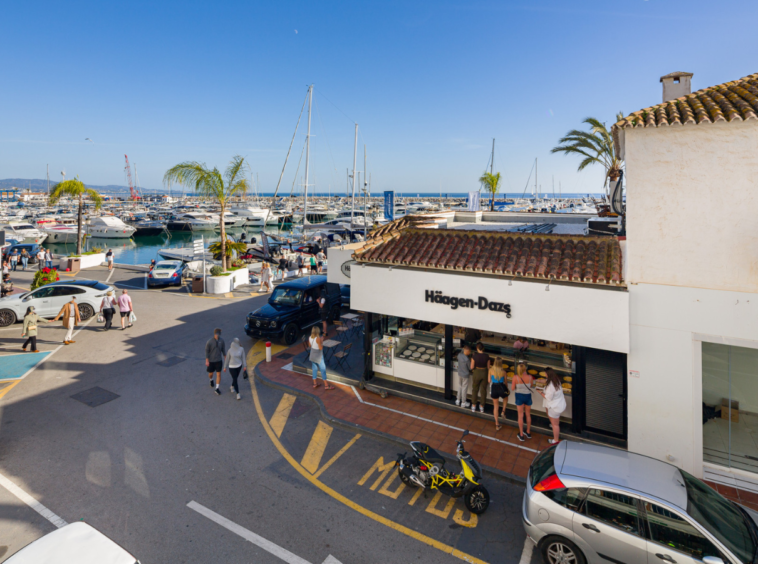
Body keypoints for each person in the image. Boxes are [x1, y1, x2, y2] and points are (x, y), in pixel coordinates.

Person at [538, 368, 566, 445]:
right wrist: (540, 381)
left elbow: (548, 398)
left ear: (548, 374)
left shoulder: (550, 387)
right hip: (560, 404)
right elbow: (547, 381)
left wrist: (540, 392)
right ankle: (553, 423)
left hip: (554, 407)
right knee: (555, 420)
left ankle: (555, 440)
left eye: (545, 374)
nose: (544, 375)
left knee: (555, 425)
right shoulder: (556, 380)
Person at [511, 361, 534, 442]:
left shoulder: (515, 377)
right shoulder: (530, 377)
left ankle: (521, 434)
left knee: (520, 416)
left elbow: (513, 388)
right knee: (528, 415)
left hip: (519, 397)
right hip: (528, 396)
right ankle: (528, 432)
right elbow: (531, 385)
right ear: (525, 369)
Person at [470, 342, 491, 413]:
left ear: (477, 348)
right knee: (483, 390)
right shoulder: (487, 356)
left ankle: (473, 405)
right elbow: (488, 367)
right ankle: (482, 406)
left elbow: (472, 367)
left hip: (477, 372)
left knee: (475, 389)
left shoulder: (474, 356)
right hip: (485, 372)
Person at [205, 328, 226, 395]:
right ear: (215, 334)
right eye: (217, 334)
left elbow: (223, 349)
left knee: (219, 374)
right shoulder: (209, 342)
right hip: (211, 361)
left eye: (219, 334)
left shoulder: (222, 341)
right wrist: (207, 360)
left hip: (219, 360)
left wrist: (225, 357)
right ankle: (211, 380)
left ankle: (217, 388)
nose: (218, 335)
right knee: (211, 374)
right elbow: (207, 351)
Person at [489, 357, 508, 430]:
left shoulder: (491, 370)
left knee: (495, 406)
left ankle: (497, 424)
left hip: (494, 387)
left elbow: (488, 380)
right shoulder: (503, 372)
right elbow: (506, 382)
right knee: (506, 398)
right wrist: (506, 389)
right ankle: (503, 411)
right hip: (501, 387)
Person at [456, 344, 472, 408]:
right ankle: (463, 402)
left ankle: (457, 400)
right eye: (469, 351)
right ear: (467, 351)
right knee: (464, 388)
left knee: (460, 386)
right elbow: (470, 368)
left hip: (459, 373)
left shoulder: (459, 355)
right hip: (465, 375)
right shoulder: (467, 359)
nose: (470, 352)